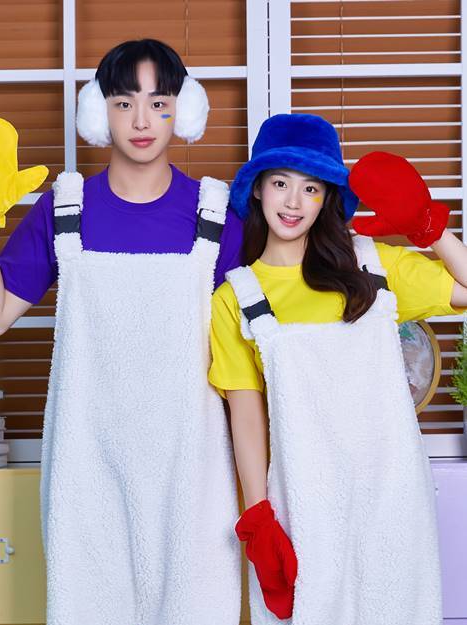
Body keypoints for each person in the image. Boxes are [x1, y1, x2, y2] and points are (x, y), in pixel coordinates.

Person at [0, 39, 243, 625]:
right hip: (88, 466)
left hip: (191, 471)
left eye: (159, 103)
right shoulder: (64, 208)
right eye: (124, 102)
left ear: (184, 111)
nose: (142, 120)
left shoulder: (216, 216)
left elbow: (263, 337)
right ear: (99, 112)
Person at [208, 113, 467, 624]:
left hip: (391, 490)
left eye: (311, 188)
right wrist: (259, 518)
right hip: (303, 497)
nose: (293, 202)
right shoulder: (236, 297)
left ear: (327, 197)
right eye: (280, 183)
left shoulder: (372, 266)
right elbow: (246, 414)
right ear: (257, 188)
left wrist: (429, 229)